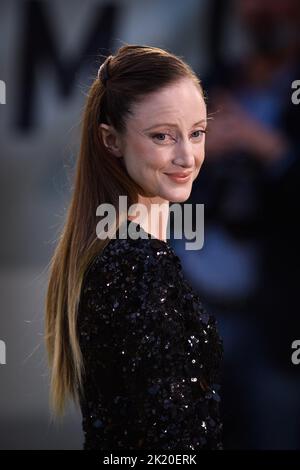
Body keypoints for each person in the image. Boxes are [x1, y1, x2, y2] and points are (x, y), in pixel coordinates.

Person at [45, 44, 223, 451]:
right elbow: (168, 444)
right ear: (111, 141)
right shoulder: (135, 264)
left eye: (197, 133)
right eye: (162, 136)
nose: (187, 156)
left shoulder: (124, 253)